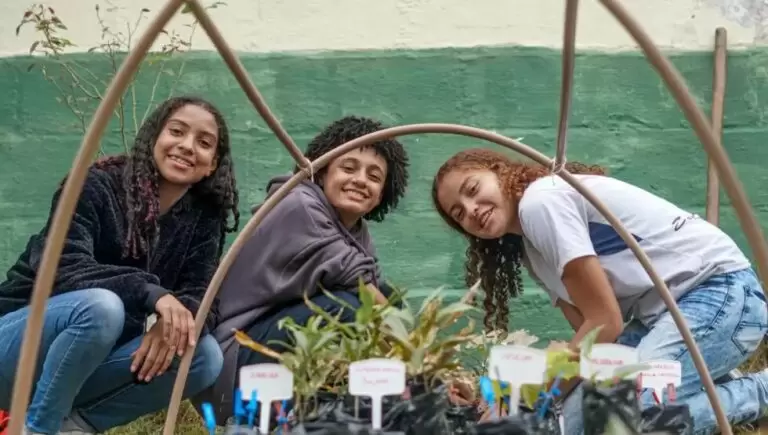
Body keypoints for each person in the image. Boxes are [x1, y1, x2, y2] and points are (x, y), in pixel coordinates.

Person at [431, 147, 768, 434]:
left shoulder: (540, 202)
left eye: (472, 189)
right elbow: (591, 339)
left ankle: (759, 391)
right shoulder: (530, 252)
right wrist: (505, 398)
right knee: (580, 422)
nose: (471, 209)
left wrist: (528, 398)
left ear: (500, 172)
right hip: (664, 318)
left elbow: (605, 323)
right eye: (459, 214)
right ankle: (715, 377)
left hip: (721, 295)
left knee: (621, 416)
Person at [0, 96, 240, 435]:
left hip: (76, 372)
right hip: (15, 352)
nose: (187, 146)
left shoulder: (203, 217)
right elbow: (62, 265)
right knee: (102, 307)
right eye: (176, 131)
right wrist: (152, 294)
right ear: (154, 136)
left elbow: (201, 292)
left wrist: (174, 323)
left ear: (212, 164)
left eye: (203, 142)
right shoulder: (97, 184)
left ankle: (73, 427)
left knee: (203, 356)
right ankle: (39, 430)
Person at [197, 115, 409, 422]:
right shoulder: (300, 205)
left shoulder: (357, 231)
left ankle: (354, 415)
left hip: (273, 349)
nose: (361, 180)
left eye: (374, 176)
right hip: (230, 368)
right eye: (348, 168)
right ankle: (260, 419)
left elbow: (379, 297)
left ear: (382, 194)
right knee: (349, 308)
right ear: (321, 173)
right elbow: (360, 288)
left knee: (388, 299)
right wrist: (421, 362)